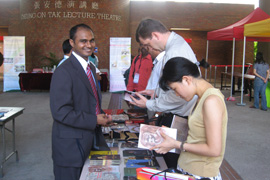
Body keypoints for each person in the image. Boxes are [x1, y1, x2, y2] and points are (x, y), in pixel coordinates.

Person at [130, 18, 199, 168]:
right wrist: (157, 91)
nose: (149, 48)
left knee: (171, 163)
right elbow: (177, 88)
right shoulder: (176, 44)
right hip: (177, 114)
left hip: (177, 117)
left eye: (147, 44)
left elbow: (179, 94)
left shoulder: (175, 52)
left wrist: (150, 103)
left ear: (155, 35)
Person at [50, 23, 112, 180]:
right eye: (83, 41)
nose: (89, 45)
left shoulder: (90, 67)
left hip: (89, 140)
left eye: (92, 41)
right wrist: (94, 119)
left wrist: (102, 115)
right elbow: (60, 112)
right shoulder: (64, 71)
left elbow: (89, 100)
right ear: (72, 43)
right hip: (70, 149)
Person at [150, 57, 228, 180]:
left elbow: (214, 150)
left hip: (201, 174)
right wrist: (172, 135)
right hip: (190, 169)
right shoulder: (201, 97)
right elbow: (198, 135)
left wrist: (176, 144)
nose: (176, 94)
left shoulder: (211, 101)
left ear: (186, 79)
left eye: (175, 89)